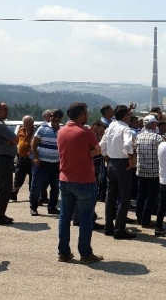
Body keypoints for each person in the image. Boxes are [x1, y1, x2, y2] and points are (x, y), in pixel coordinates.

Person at [56, 102, 103, 264]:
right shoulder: (86, 132)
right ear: (82, 116)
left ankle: (63, 252)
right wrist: (90, 152)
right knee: (85, 218)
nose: (88, 116)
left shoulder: (61, 132)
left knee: (64, 217)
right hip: (84, 180)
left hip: (65, 179)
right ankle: (85, 253)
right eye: (87, 113)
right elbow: (98, 150)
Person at [100, 105, 137, 239]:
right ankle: (119, 229)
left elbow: (102, 145)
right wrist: (132, 159)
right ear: (125, 116)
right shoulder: (125, 129)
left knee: (110, 196)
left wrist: (107, 157)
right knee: (124, 197)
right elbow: (128, 145)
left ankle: (108, 226)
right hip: (122, 163)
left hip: (111, 163)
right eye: (129, 115)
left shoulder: (110, 127)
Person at [30, 109, 63, 217]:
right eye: (52, 116)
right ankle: (33, 207)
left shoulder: (62, 131)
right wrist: (35, 157)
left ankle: (52, 207)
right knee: (36, 186)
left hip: (55, 164)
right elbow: (34, 143)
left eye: (56, 116)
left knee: (55, 188)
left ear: (61, 118)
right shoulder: (43, 128)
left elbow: (63, 148)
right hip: (41, 163)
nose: (54, 118)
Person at [11, 115, 35, 202]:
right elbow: (16, 140)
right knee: (18, 177)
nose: (26, 124)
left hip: (32, 159)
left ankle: (32, 197)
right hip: (21, 158)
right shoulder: (21, 130)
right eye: (24, 122)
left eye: (28, 122)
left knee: (32, 180)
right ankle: (13, 195)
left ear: (32, 123)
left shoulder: (36, 131)